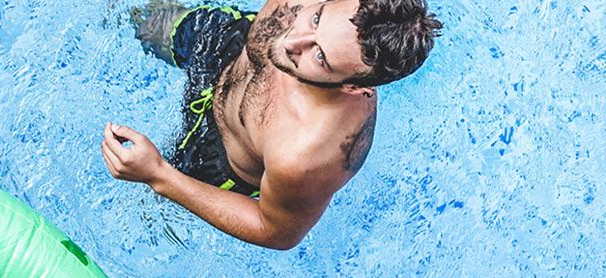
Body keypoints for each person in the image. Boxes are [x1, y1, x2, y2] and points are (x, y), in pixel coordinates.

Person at [101, 1, 443, 249]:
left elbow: (275, 231)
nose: (292, 41)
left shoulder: (308, 153)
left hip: (215, 158)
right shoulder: (312, 20)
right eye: (316, 18)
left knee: (142, 213)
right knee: (140, 18)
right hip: (227, 46)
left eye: (320, 57)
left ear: (353, 87)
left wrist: (160, 175)